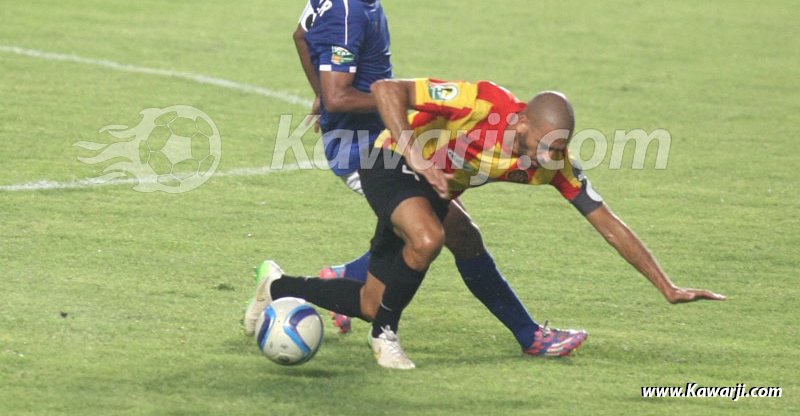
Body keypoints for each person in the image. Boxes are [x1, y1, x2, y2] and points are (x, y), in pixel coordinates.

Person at [246, 77, 726, 369]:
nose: (551, 157)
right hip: (391, 162)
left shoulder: (553, 164)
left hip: (430, 188)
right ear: (521, 124)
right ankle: (387, 338)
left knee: (382, 295)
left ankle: (279, 285)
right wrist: (418, 155)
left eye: (559, 148)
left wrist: (666, 286)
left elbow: (608, 224)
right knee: (429, 237)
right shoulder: (483, 103)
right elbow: (386, 90)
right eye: (545, 145)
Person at [261, 0, 547, 356]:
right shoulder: (349, 15)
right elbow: (339, 97)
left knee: (452, 234)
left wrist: (322, 93)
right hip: (365, 151)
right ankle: (377, 328)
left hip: (387, 138)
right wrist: (391, 101)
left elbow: (300, 36)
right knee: (433, 238)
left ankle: (321, 282)